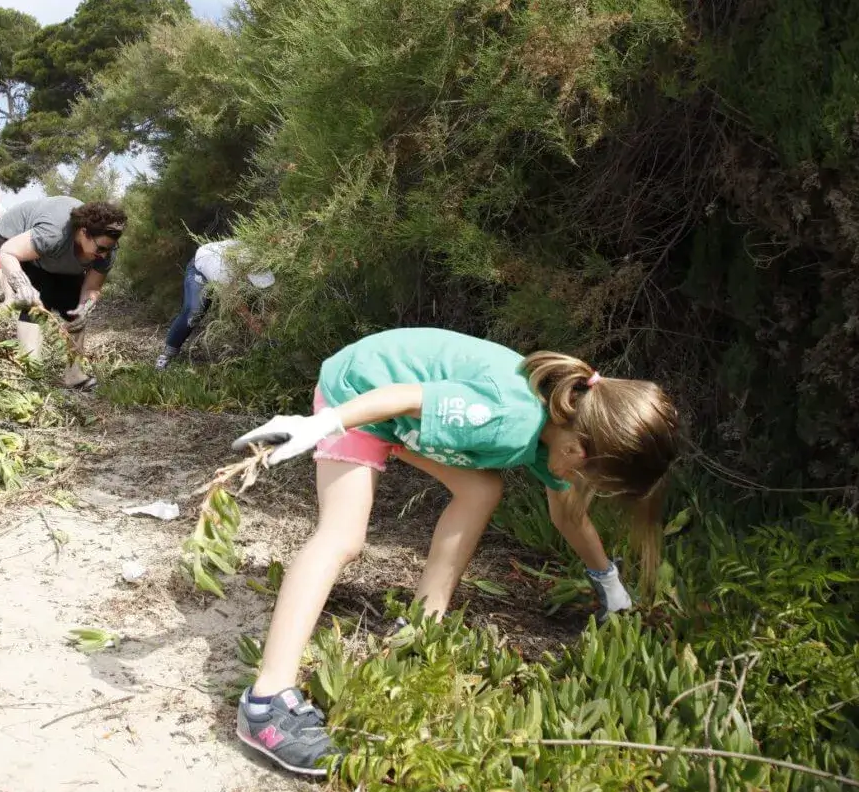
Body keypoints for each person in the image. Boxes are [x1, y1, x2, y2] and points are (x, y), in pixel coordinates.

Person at [227, 327, 680, 776]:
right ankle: (266, 701)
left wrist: (609, 585)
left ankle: (423, 621)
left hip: (393, 412)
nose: (585, 488)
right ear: (579, 452)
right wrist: (322, 425)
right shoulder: (508, 417)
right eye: (594, 482)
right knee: (342, 535)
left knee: (481, 489)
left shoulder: (556, 432)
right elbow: (406, 397)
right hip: (359, 392)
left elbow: (570, 518)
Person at [0, 196, 127, 390]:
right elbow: (7, 253)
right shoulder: (52, 233)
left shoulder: (106, 251)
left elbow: (91, 288)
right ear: (84, 233)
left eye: (110, 248)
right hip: (13, 242)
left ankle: (74, 375)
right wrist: (22, 286)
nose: (105, 254)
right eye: (101, 248)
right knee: (36, 301)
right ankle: (31, 373)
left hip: (55, 254)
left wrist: (84, 308)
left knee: (75, 309)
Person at [156, 239, 275, 369]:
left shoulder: (254, 257)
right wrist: (260, 329)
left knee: (259, 298)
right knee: (194, 311)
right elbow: (237, 306)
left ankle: (263, 346)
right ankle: (168, 354)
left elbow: (269, 294)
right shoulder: (221, 271)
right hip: (201, 269)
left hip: (229, 268)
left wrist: (274, 319)